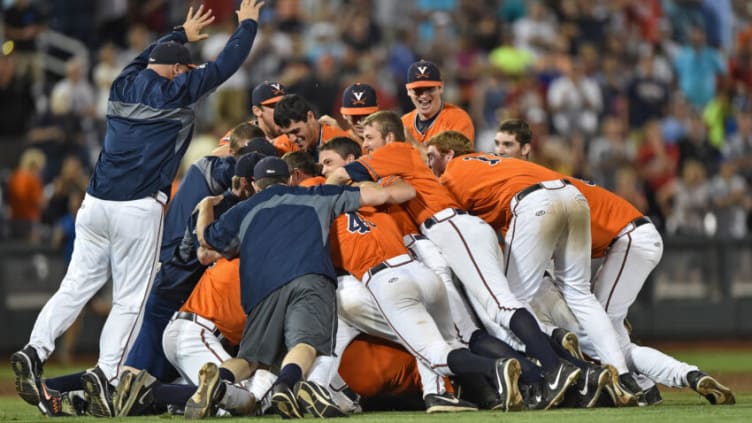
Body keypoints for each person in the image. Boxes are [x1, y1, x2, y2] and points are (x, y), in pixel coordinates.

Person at [10, 1, 266, 417]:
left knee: (75, 286)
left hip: (93, 204)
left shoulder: (122, 82)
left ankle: (35, 349)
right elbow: (226, 65)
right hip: (136, 208)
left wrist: (179, 34)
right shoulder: (179, 89)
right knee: (130, 299)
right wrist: (249, 25)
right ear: (180, 70)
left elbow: (143, 57)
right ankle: (106, 374)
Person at [326, 111, 586, 410]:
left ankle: (554, 369)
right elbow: (403, 188)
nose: (366, 144)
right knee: (484, 325)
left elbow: (342, 176)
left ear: (388, 137)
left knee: (497, 308)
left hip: (447, 227)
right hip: (449, 232)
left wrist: (325, 185)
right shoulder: (399, 162)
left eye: (369, 138)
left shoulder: (394, 151)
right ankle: (561, 373)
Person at [493, 118, 736, 406]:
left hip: (631, 239)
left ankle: (631, 381)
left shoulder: (537, 189)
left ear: (525, 150)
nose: (499, 150)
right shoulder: (541, 184)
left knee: (600, 331)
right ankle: (686, 376)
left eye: (507, 144)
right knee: (615, 339)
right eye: (497, 144)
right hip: (630, 240)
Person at [425, 130, 649, 407]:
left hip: (533, 204)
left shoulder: (450, 174)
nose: (429, 164)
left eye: (432, 156)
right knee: (580, 293)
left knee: (508, 304)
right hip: (571, 194)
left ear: (449, 154)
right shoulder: (494, 160)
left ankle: (556, 357)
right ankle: (622, 376)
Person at [184, 156, 413, 419]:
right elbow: (377, 197)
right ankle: (286, 384)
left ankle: (220, 377)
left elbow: (206, 238)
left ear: (256, 185)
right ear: (291, 177)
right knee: (306, 343)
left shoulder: (244, 209)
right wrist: (407, 186)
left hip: (261, 289)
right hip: (309, 276)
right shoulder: (317, 194)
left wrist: (206, 205)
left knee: (251, 359)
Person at [401, 60, 474, 145]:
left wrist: (413, 143)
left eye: (429, 89)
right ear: (408, 91)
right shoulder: (403, 123)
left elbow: (456, 158)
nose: (424, 95)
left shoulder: (458, 119)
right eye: (418, 90)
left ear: (441, 87)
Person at [273, 93, 353, 160]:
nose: (292, 139)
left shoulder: (339, 143)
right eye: (287, 134)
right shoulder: (283, 144)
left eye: (296, 131)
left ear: (310, 117)